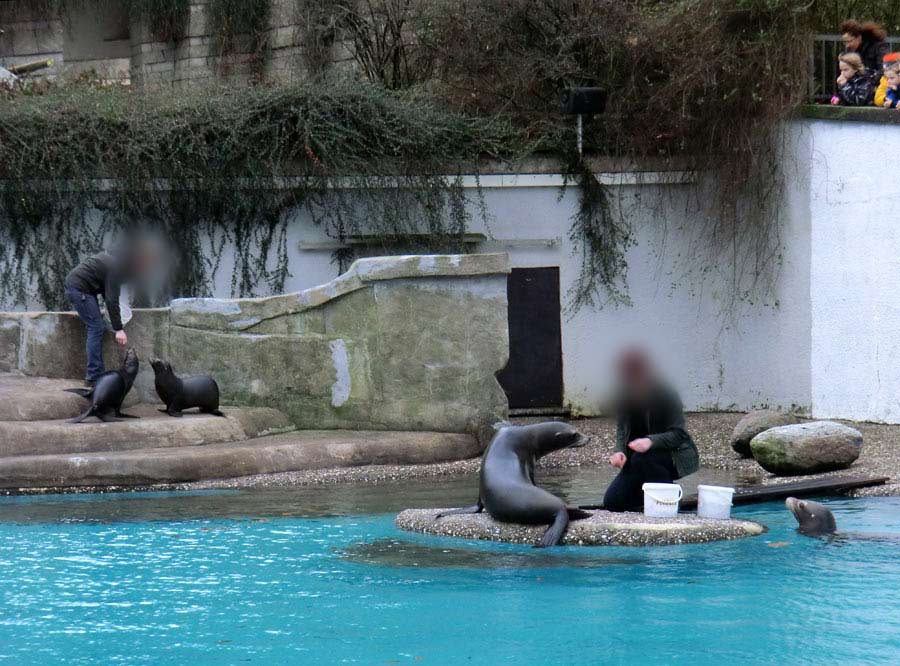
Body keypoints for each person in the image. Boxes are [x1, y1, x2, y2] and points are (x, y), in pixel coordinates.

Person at [602, 349, 699, 512]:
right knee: (613, 502)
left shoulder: (666, 393)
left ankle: (669, 496)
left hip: (671, 454)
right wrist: (620, 452)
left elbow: (679, 434)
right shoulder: (624, 395)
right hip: (637, 458)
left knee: (642, 459)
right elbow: (622, 429)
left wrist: (650, 442)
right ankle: (648, 492)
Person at [64, 240, 155, 385]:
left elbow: (109, 296)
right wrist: (119, 329)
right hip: (79, 289)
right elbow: (111, 300)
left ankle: (96, 375)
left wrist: (115, 319)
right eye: (144, 265)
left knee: (96, 326)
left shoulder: (118, 259)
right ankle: (94, 377)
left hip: (84, 289)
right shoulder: (116, 266)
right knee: (96, 327)